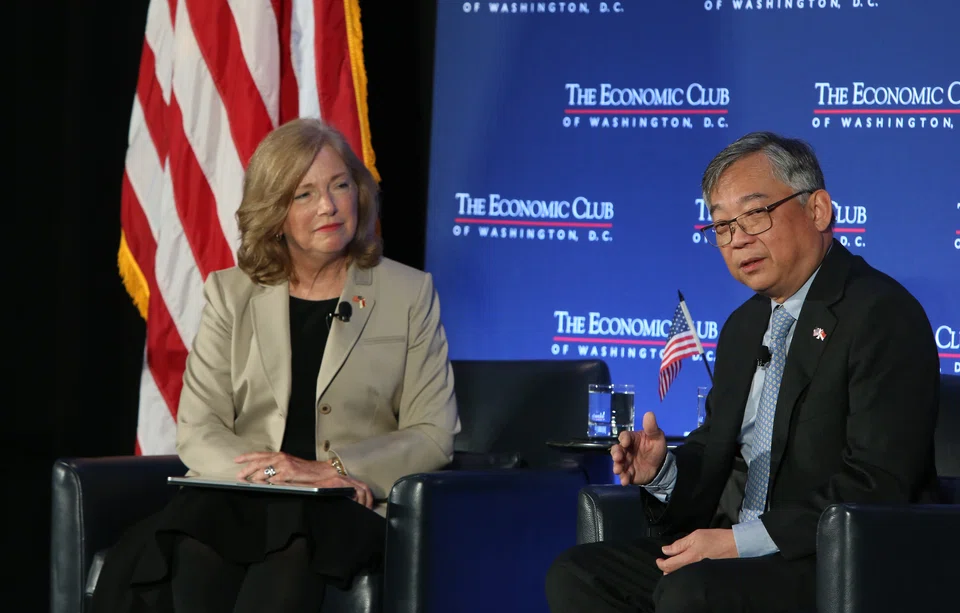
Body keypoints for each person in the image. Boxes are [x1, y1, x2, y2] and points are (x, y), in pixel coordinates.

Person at [544, 131, 941, 613]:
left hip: (827, 559)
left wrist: (740, 542)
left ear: (817, 209)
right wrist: (663, 471)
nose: (738, 240)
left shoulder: (880, 314)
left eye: (755, 214)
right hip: (732, 553)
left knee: (692, 591)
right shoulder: (743, 326)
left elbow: (878, 482)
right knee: (580, 574)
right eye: (722, 226)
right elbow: (718, 456)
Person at [92, 117, 461, 613]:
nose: (329, 206)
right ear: (275, 212)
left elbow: (433, 433)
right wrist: (276, 475)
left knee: (291, 551)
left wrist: (328, 470)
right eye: (303, 195)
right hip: (242, 497)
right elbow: (199, 429)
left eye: (340, 185)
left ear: (360, 192)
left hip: (343, 505)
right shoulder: (231, 294)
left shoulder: (408, 293)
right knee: (196, 547)